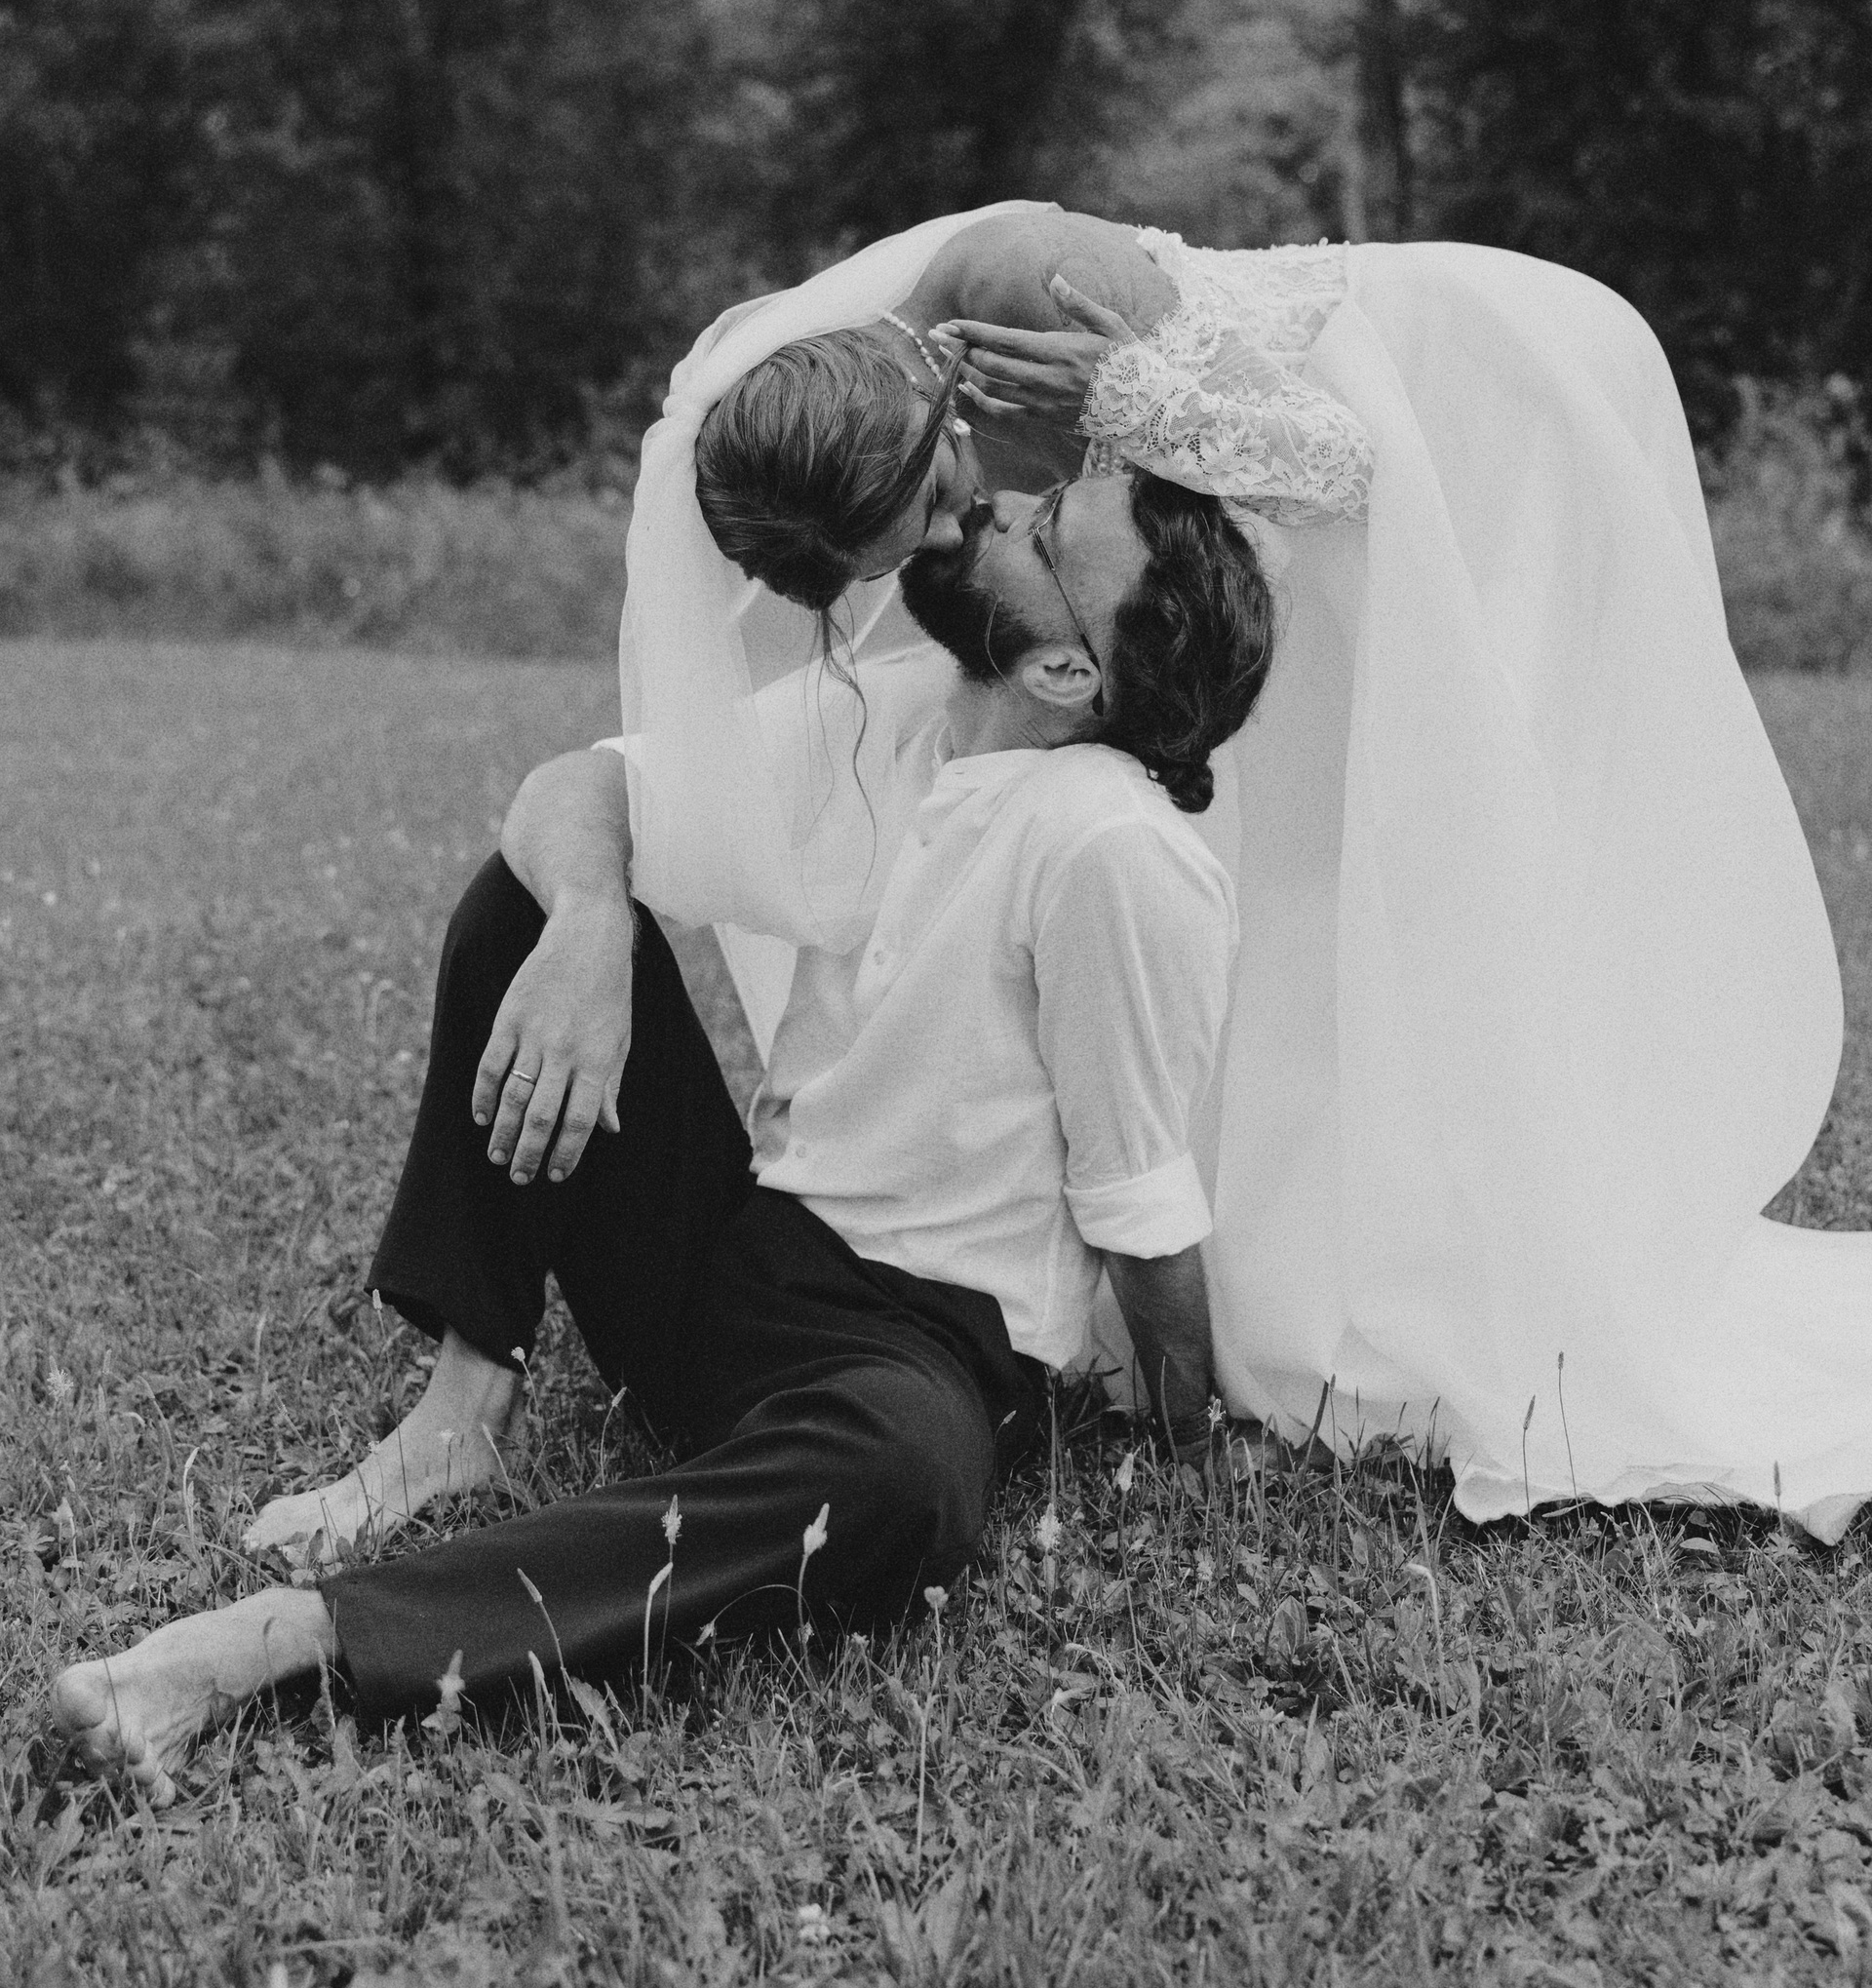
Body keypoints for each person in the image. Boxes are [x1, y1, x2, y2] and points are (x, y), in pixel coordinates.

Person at [622, 201, 1872, 1540]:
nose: (951, 539)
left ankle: (1409, 1238)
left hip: (1468, 401)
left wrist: (1143, 405)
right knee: (1267, 889)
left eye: (930, 511)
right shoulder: (874, 418)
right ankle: (1239, 1228)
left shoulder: (1027, 286)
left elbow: (1351, 466)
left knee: (1417, 855)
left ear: (922, 419)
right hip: (1249, 543)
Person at [51, 465, 1273, 1806]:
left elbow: (1140, 1199)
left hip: (910, 1352)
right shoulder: (893, 707)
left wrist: (1189, 1436)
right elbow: (578, 788)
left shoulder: (1113, 848)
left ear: (1063, 668)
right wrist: (592, 923)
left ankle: (292, 1640)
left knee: (906, 1483)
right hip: (738, 1255)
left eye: (1044, 534)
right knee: (531, 906)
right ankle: (462, 1412)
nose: (1000, 506)